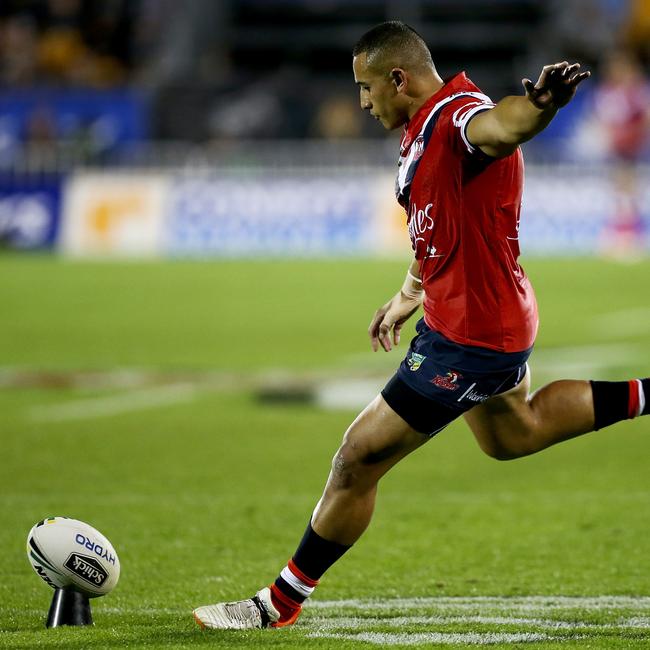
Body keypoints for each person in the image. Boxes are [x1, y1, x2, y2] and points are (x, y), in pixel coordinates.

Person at [192, 21, 649, 630]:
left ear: (398, 78)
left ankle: (278, 603)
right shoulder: (420, 129)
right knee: (515, 434)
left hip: (474, 336)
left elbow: (502, 128)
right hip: (476, 316)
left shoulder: (460, 115)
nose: (362, 101)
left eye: (366, 86)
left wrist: (539, 107)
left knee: (357, 457)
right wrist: (411, 291)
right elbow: (439, 218)